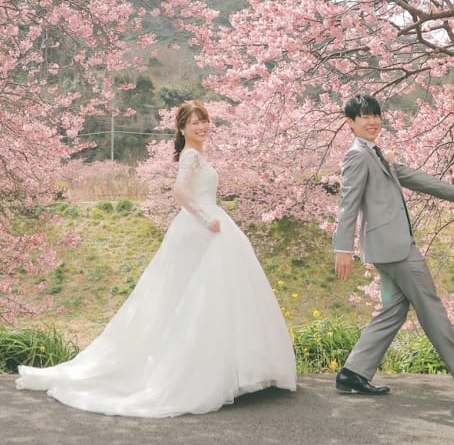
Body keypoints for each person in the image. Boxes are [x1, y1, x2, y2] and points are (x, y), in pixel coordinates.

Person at [16, 102, 297, 417]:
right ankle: (207, 371)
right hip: (200, 228)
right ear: (181, 129)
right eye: (194, 123)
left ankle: (224, 370)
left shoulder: (197, 154)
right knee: (197, 300)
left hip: (205, 227)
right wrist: (206, 217)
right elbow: (180, 191)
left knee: (206, 299)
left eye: (205, 121)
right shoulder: (191, 155)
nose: (202, 127)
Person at [332, 93, 454, 395]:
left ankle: (352, 373)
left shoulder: (374, 152)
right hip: (394, 248)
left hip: (390, 246)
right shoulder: (358, 155)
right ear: (351, 122)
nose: (373, 121)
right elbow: (348, 205)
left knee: (394, 311)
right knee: (429, 305)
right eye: (365, 116)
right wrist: (343, 248)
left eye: (376, 115)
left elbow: (413, 178)